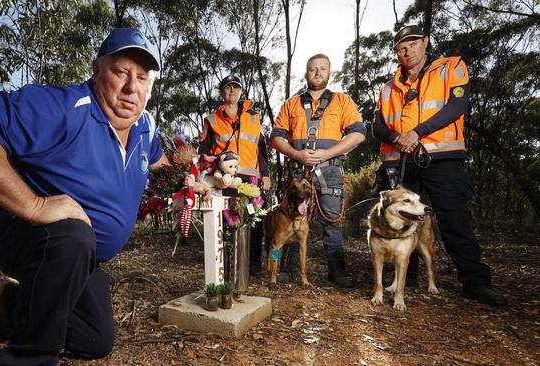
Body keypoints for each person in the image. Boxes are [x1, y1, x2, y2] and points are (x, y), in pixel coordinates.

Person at [0, 28, 210, 365]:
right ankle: (28, 358)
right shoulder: (64, 108)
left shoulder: (144, 126)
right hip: (22, 229)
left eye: (143, 78)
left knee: (94, 341)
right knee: (73, 236)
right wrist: (35, 204)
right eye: (121, 72)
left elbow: (159, 165)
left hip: (78, 258)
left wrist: (193, 179)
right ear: (97, 69)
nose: (133, 87)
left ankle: (17, 304)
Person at [372, 25, 506, 305]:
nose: (407, 51)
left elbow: (456, 106)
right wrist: (399, 137)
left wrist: (417, 133)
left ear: (425, 42)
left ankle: (475, 281)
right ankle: (404, 277)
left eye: (412, 44)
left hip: (442, 158)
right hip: (402, 160)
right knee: (401, 220)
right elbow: (377, 126)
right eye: (400, 48)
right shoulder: (387, 88)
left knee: (454, 219)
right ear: (396, 52)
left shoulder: (451, 67)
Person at [270, 54, 366, 287]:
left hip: (329, 170)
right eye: (313, 69)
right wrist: (297, 155)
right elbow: (275, 137)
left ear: (329, 73)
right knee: (289, 222)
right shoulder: (291, 104)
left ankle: (337, 272)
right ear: (306, 74)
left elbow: (358, 134)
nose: (317, 72)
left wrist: (327, 153)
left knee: (332, 222)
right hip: (297, 172)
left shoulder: (343, 101)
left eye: (322, 68)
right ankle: (287, 271)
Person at [198, 74, 271, 275]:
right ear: (222, 92)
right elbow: (203, 150)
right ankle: (229, 261)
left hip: (252, 178)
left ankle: (253, 264)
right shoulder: (211, 120)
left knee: (253, 219)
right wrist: (207, 174)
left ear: (240, 91)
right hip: (225, 180)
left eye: (236, 87)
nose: (232, 91)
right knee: (229, 219)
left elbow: (262, 148)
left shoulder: (254, 117)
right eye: (228, 87)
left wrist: (265, 174)